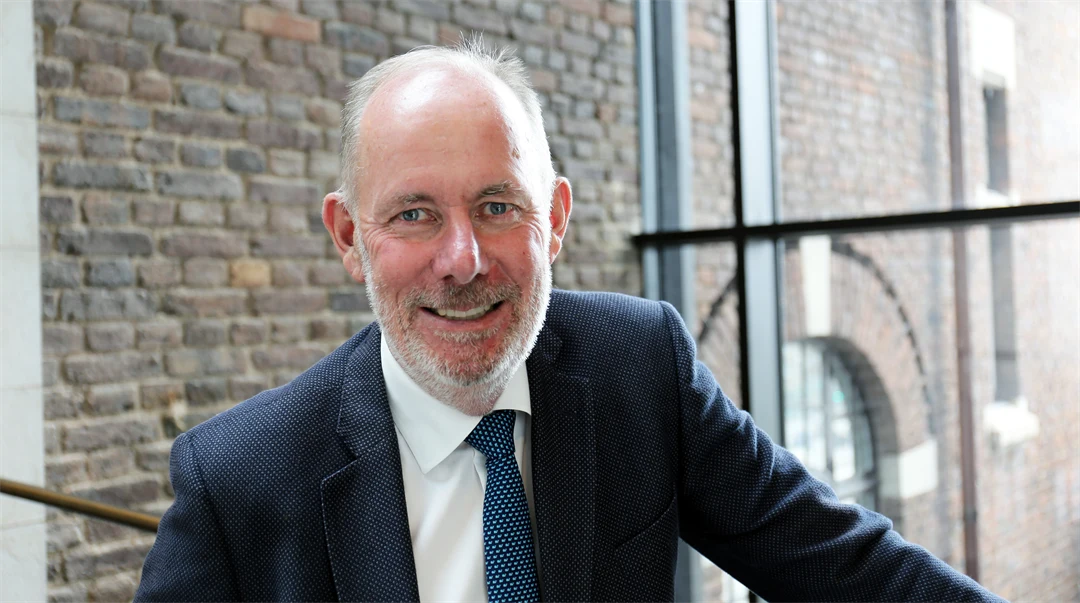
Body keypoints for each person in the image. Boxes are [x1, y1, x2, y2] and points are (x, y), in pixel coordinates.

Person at [134, 40, 1007, 603]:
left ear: (554, 219)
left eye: (497, 205)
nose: (463, 259)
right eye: (413, 215)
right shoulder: (237, 485)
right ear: (348, 237)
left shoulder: (641, 366)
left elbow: (848, 567)